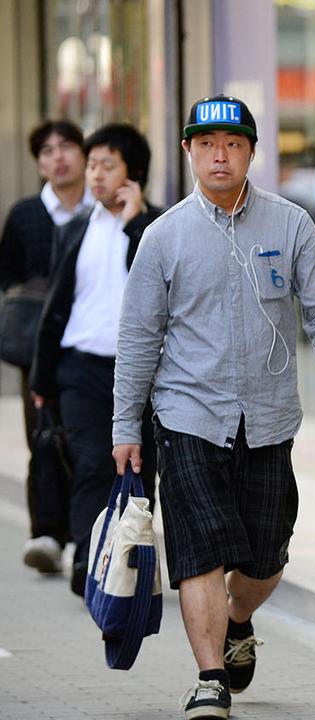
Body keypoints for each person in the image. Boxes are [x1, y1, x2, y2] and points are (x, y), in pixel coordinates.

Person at [111, 95, 315, 720]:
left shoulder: (290, 224)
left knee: (265, 556)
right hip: (188, 417)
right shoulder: (163, 237)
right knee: (200, 550)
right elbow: (138, 336)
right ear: (189, 151)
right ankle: (210, 679)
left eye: (233, 144)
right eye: (206, 144)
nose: (219, 155)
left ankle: (238, 617)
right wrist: (124, 424)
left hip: (269, 419)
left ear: (251, 152)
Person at [29, 123, 162, 596]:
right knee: (90, 462)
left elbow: (155, 285)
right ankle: (89, 561)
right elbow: (57, 306)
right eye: (93, 165)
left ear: (134, 173)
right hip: (81, 369)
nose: (96, 174)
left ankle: (128, 562)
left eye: (108, 165)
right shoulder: (78, 229)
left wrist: (134, 222)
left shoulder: (155, 229)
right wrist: (42, 377)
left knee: (139, 470)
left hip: (142, 374)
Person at [0, 120, 91, 574]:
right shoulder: (25, 215)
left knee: (85, 439)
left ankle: (82, 535)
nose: (58, 157)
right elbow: (8, 276)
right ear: (38, 162)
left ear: (83, 154)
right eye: (47, 151)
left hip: (89, 343)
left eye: (67, 147)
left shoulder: (101, 211)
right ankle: (47, 534)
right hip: (39, 346)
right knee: (42, 436)